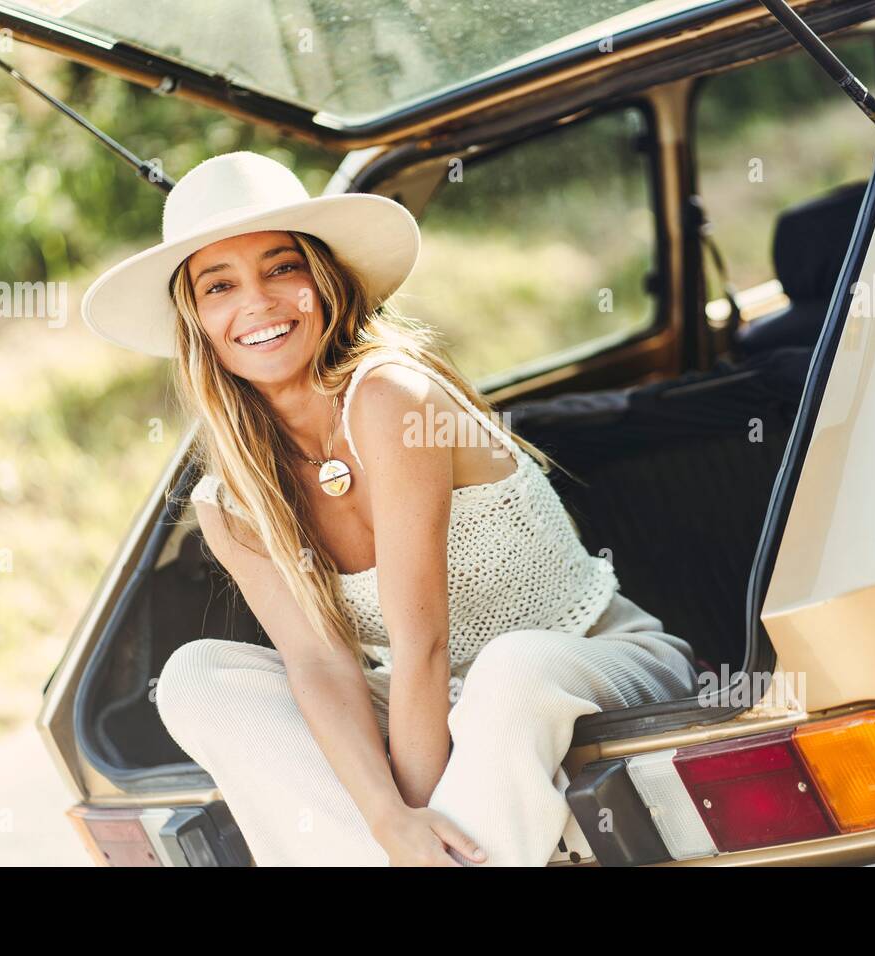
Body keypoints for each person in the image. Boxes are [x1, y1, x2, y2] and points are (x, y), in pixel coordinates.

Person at [80, 150, 700, 866]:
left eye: (282, 268)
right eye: (220, 285)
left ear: (324, 281)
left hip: (595, 663)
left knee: (511, 666)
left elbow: (421, 642)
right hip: (427, 703)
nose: (257, 302)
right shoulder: (231, 500)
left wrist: (421, 816)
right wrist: (386, 821)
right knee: (196, 679)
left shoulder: (390, 397)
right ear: (199, 322)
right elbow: (320, 664)